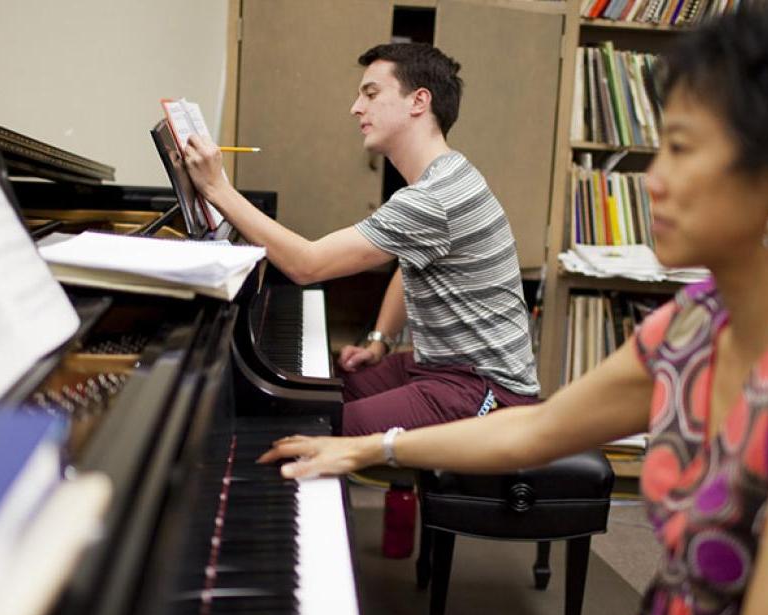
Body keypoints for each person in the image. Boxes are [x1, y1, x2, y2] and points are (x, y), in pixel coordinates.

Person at [259, 4, 768, 615]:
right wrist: (367, 446)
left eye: (681, 149)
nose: (653, 179)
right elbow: (535, 429)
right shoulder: (700, 322)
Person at [183, 43, 540, 436]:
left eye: (370, 94)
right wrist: (379, 340)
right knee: (325, 389)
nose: (356, 108)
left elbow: (306, 264)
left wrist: (218, 189)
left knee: (313, 431)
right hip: (442, 369)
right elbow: (410, 270)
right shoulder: (449, 175)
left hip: (486, 392)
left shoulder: (432, 198)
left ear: (419, 101)